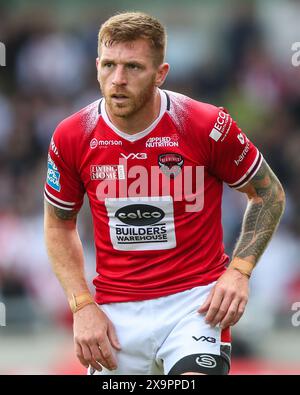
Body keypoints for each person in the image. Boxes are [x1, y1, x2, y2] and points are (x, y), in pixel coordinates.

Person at [44, 11, 285, 375]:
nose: (118, 79)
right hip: (117, 315)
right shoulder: (72, 135)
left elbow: (268, 193)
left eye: (134, 67)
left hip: (195, 307)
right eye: (109, 65)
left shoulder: (205, 124)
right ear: (96, 66)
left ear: (161, 73)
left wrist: (239, 271)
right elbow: (58, 226)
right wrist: (81, 306)